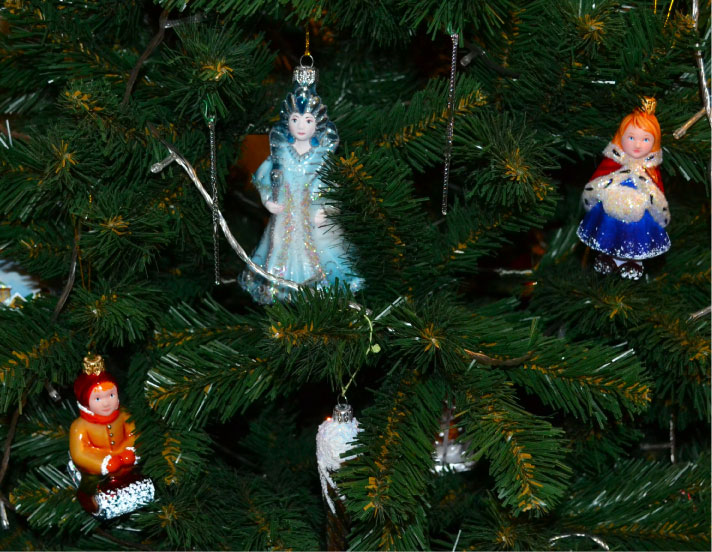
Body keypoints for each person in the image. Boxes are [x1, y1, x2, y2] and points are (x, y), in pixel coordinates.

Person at [238, 65, 363, 303]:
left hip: (312, 216)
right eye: (295, 119)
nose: (301, 126)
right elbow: (265, 177)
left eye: (308, 120)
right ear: (287, 122)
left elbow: (331, 185)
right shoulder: (281, 152)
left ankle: (317, 288)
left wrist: (326, 208)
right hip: (285, 214)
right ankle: (278, 288)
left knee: (316, 249)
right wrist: (267, 200)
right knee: (278, 245)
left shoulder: (322, 155)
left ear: (318, 123)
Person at [577, 97, 670, 280]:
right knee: (608, 231)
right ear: (621, 137)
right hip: (610, 209)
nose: (637, 144)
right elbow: (599, 180)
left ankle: (632, 262)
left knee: (636, 237)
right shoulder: (613, 162)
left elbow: (656, 192)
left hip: (640, 214)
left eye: (645, 139)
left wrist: (658, 208)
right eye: (631, 137)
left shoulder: (651, 170)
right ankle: (608, 258)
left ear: (654, 142)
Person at [69, 354, 149, 516]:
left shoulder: (124, 416)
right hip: (98, 467)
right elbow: (80, 453)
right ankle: (87, 497)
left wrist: (130, 450)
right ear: (86, 401)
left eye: (111, 395)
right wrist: (103, 463)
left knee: (143, 466)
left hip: (125, 460)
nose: (106, 403)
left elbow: (134, 434)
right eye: (98, 398)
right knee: (90, 481)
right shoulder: (80, 427)